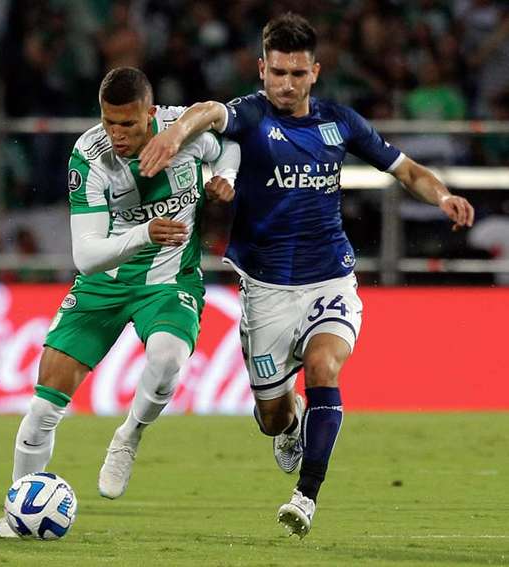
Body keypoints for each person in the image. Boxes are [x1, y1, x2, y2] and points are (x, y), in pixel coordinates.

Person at [137, 13, 475, 538]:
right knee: (271, 416)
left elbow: (405, 169)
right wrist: (177, 132)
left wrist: (444, 195)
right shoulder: (250, 116)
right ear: (262, 70)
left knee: (324, 368)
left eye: (297, 74)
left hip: (330, 281)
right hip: (267, 291)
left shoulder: (340, 123)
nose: (287, 84)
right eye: (278, 73)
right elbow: (207, 112)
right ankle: (289, 424)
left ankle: (306, 496)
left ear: (315, 72)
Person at [0, 67, 240, 537]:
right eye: (108, 122)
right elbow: (86, 256)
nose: (117, 135)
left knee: (166, 360)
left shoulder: (183, 129)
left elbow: (231, 141)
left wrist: (225, 175)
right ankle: (17, 515)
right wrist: (145, 232)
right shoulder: (90, 155)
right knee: (43, 408)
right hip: (104, 284)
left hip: (169, 281)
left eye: (128, 124)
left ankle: (128, 436)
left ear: (151, 111)